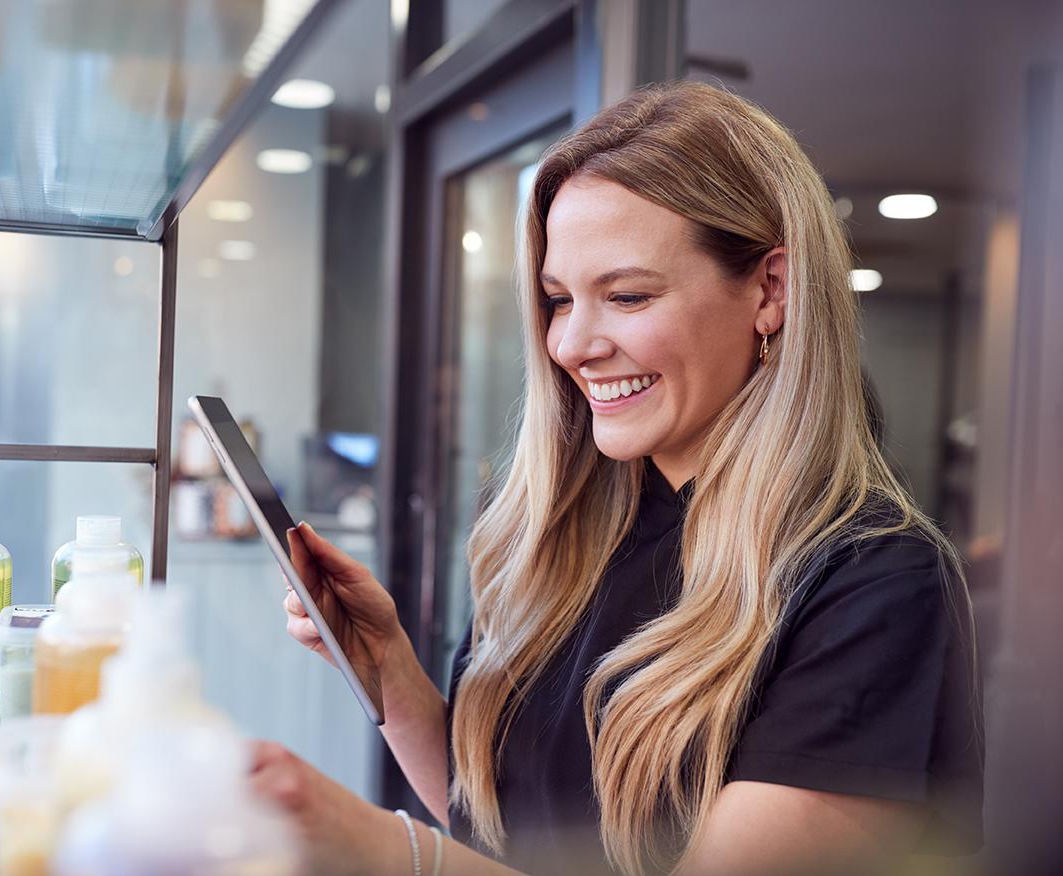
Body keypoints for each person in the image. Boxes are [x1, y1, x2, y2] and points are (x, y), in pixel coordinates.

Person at [249, 80, 984, 876]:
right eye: (558, 299)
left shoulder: (872, 582)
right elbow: (495, 820)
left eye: (627, 296)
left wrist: (389, 852)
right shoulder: (563, 529)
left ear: (770, 290)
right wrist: (387, 667)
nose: (570, 345)